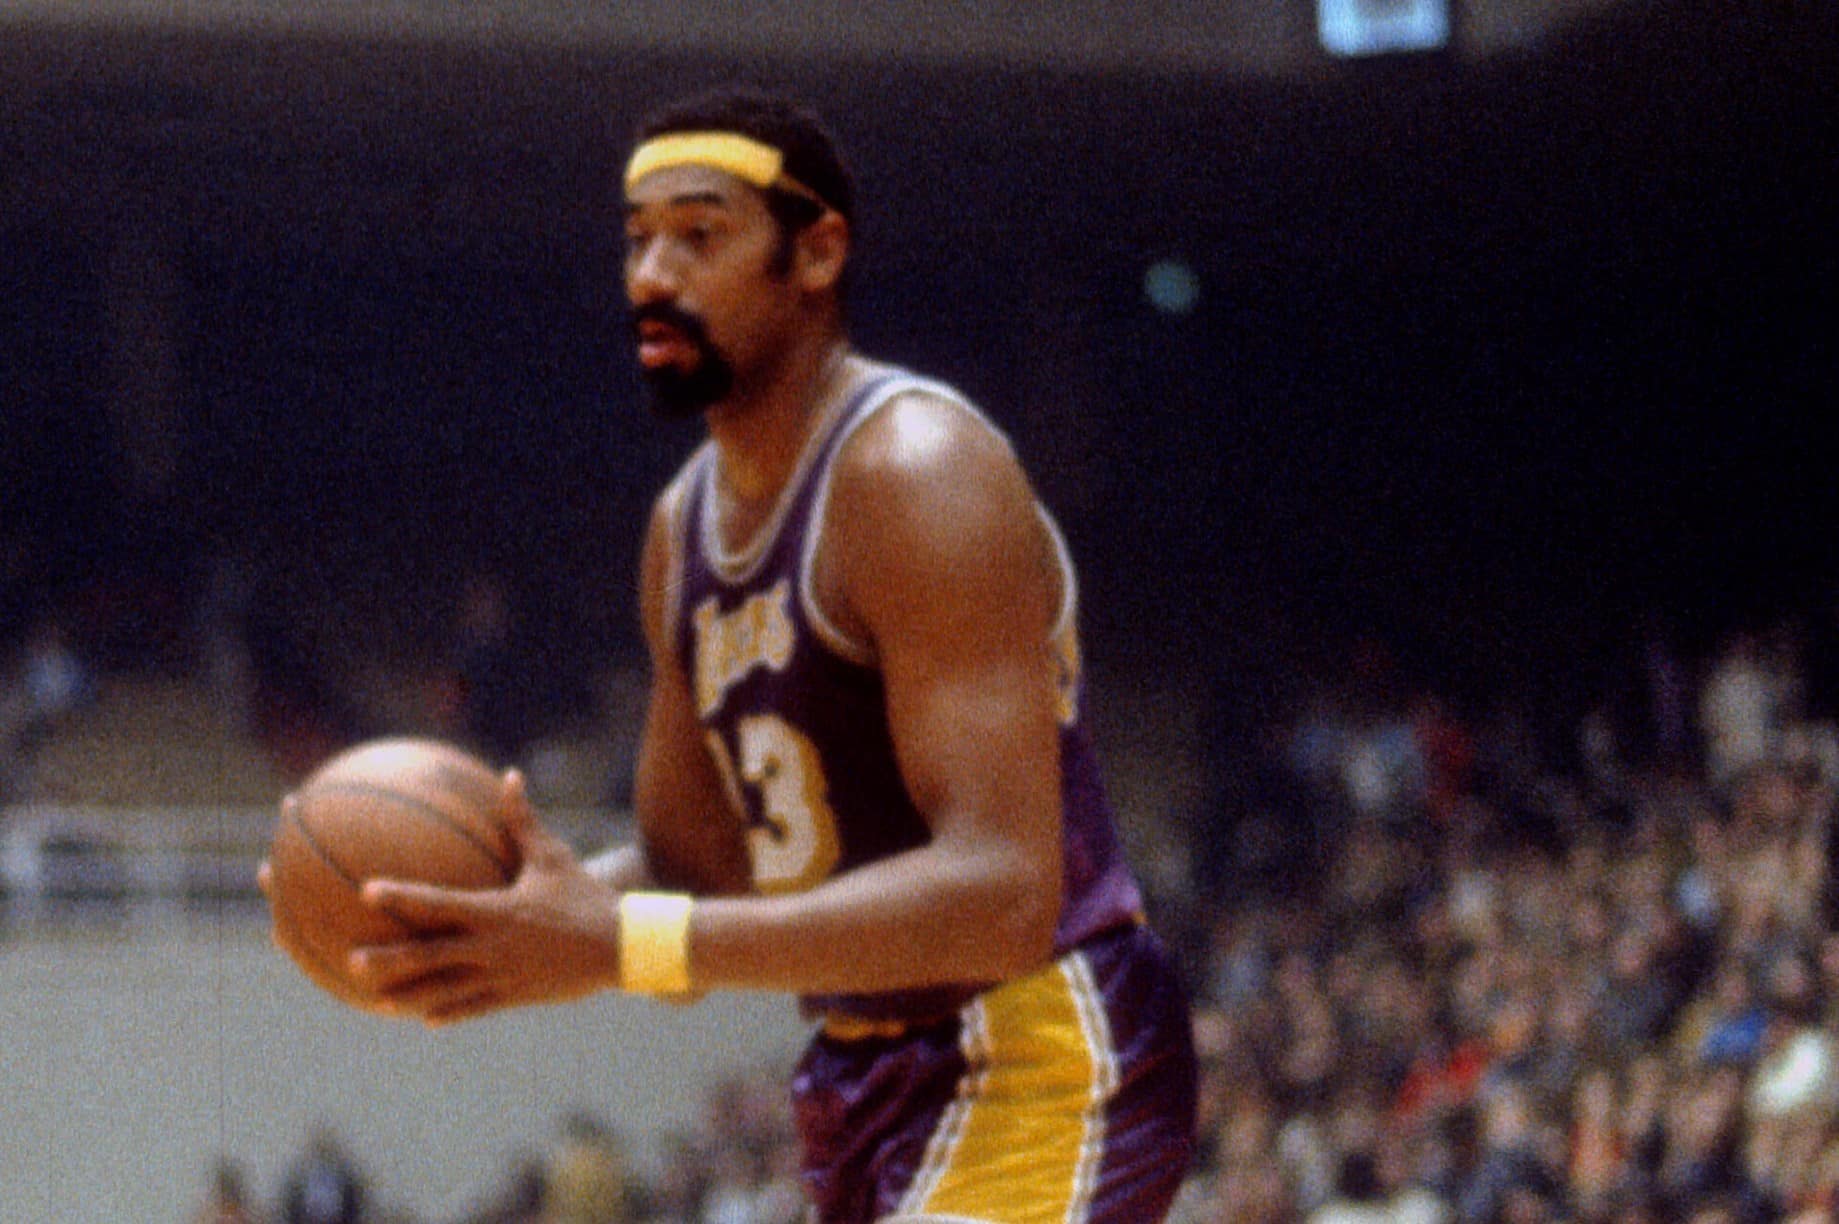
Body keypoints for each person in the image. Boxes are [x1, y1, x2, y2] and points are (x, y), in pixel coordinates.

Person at [268, 85, 1197, 1222]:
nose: (653, 277)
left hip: (1039, 1046)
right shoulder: (682, 529)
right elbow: (692, 870)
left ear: (815, 255)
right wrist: (464, 920)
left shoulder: (915, 471)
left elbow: (1004, 890)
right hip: (861, 1076)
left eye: (700, 238)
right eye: (639, 241)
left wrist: (625, 944)